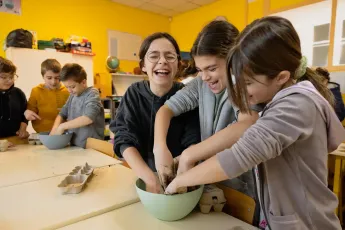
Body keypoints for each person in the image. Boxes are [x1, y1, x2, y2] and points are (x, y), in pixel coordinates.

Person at [165, 16, 344, 230]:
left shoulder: (296, 105)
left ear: (281, 77)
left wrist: (179, 181)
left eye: (247, 82)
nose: (239, 90)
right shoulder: (276, 99)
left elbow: (238, 157)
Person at [154, 20, 260, 197]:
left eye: (211, 68)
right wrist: (159, 148)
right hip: (208, 182)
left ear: (234, 60)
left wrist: (190, 155)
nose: (204, 77)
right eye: (199, 70)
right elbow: (166, 110)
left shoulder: (245, 86)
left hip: (239, 187)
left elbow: (247, 123)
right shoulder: (200, 84)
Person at [110, 32, 200, 193]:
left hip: (179, 177)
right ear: (143, 65)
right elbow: (124, 139)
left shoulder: (188, 96)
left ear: (178, 64)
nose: (162, 61)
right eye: (154, 56)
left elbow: (193, 139)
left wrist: (178, 178)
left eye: (169, 56)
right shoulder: (133, 94)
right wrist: (150, 179)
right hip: (141, 175)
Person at [50, 63, 104, 148]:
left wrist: (62, 126)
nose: (69, 90)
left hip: (91, 147)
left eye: (72, 87)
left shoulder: (92, 93)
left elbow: (88, 118)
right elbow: (62, 114)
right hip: (75, 145)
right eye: (67, 87)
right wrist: (55, 129)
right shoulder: (73, 96)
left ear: (83, 82)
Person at [24, 59, 69, 133]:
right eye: (49, 78)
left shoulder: (67, 91)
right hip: (43, 134)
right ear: (43, 76)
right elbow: (31, 110)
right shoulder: (36, 91)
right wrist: (27, 113)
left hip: (63, 133)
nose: (53, 82)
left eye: (57, 78)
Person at [0, 57, 29, 144]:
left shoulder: (18, 93)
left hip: (14, 140)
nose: (9, 80)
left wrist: (22, 129)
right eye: (4, 77)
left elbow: (24, 115)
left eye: (12, 76)